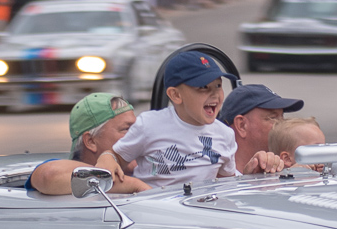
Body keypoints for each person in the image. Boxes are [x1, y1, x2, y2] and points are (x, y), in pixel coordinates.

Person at [112, 51, 282, 188]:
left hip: (200, 216)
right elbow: (115, 157)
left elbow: (225, 184)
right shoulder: (149, 124)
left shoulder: (224, 134)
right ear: (176, 95)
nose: (214, 93)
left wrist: (249, 175)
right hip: (155, 215)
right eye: (203, 87)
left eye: (218, 85)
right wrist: (107, 158)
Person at [28, 93, 151, 196]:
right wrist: (134, 185)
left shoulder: (148, 166)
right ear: (91, 141)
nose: (138, 137)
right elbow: (49, 175)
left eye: (137, 129)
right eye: (126, 129)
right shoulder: (60, 171)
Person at [218, 83, 304, 173]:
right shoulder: (212, 174)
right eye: (273, 118)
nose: (283, 125)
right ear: (241, 125)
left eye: (282, 117)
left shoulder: (288, 168)